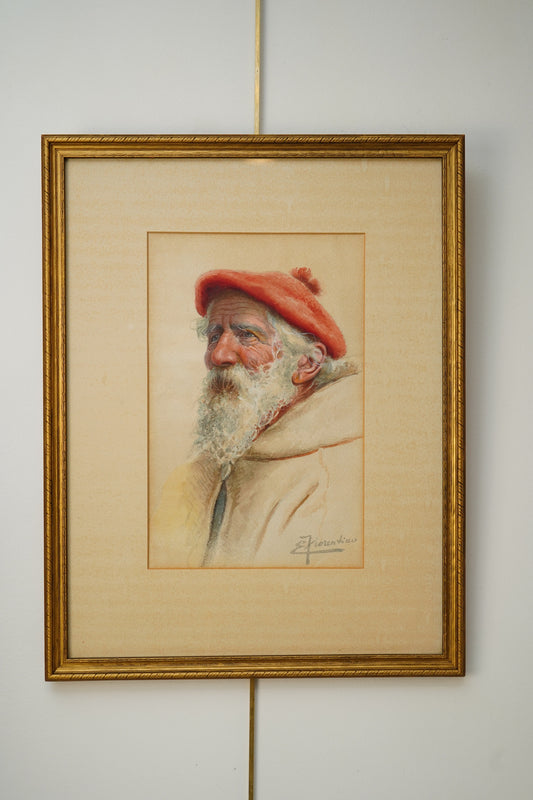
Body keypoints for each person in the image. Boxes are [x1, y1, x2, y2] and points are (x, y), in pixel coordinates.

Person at [149, 267, 363, 568]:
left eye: (247, 335)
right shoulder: (195, 475)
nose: (219, 355)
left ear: (307, 363)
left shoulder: (341, 476)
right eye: (214, 336)